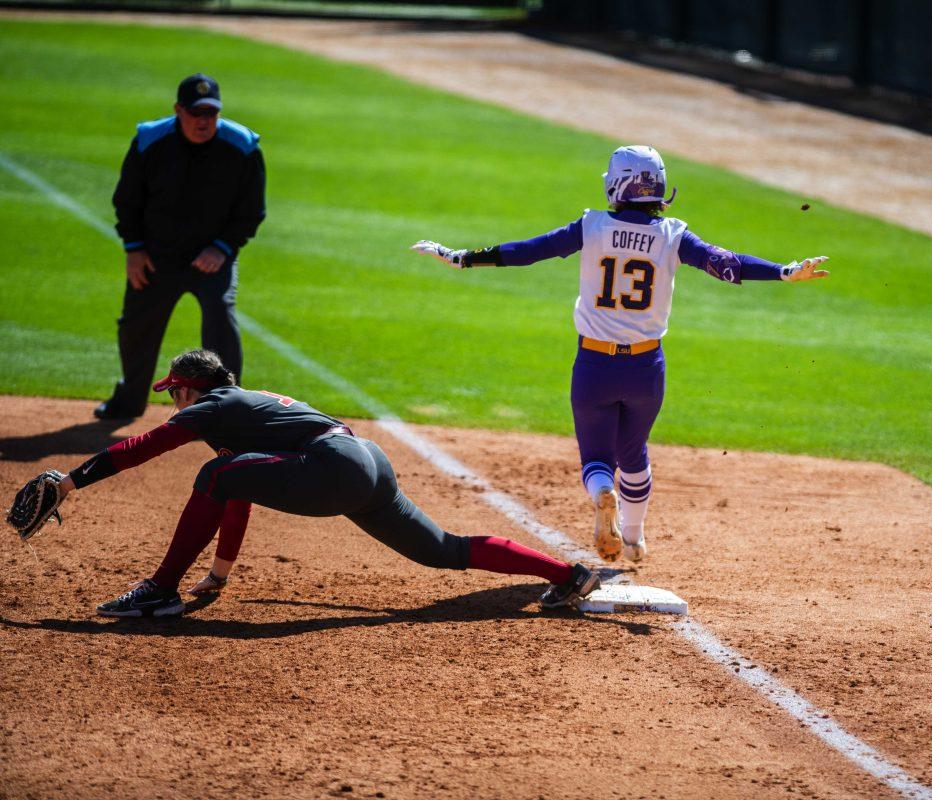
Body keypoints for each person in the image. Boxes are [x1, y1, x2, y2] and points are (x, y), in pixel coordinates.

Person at [412, 145, 829, 564]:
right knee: (635, 453)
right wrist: (784, 270)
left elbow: (529, 250)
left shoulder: (591, 227)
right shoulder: (674, 235)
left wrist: (464, 258)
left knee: (596, 459)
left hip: (594, 366)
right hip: (647, 369)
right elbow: (728, 263)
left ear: (619, 184)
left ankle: (602, 493)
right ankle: (633, 538)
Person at [43, 349, 599, 617]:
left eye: (172, 392)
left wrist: (70, 483)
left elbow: (144, 448)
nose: (171, 402)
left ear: (189, 388)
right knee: (441, 550)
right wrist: (218, 576)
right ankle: (568, 574)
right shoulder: (249, 408)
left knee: (215, 472)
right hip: (368, 463)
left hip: (334, 464)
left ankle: (158, 590)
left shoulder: (213, 405)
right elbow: (239, 491)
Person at [95, 73, 267, 420]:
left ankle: (228, 406)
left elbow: (251, 211)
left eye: (211, 113)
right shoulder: (149, 141)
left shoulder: (243, 146)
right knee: (136, 325)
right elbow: (127, 200)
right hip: (156, 256)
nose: (204, 121)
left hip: (213, 257)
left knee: (220, 312)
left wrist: (222, 247)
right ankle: (129, 400)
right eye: (195, 113)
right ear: (178, 110)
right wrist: (134, 248)